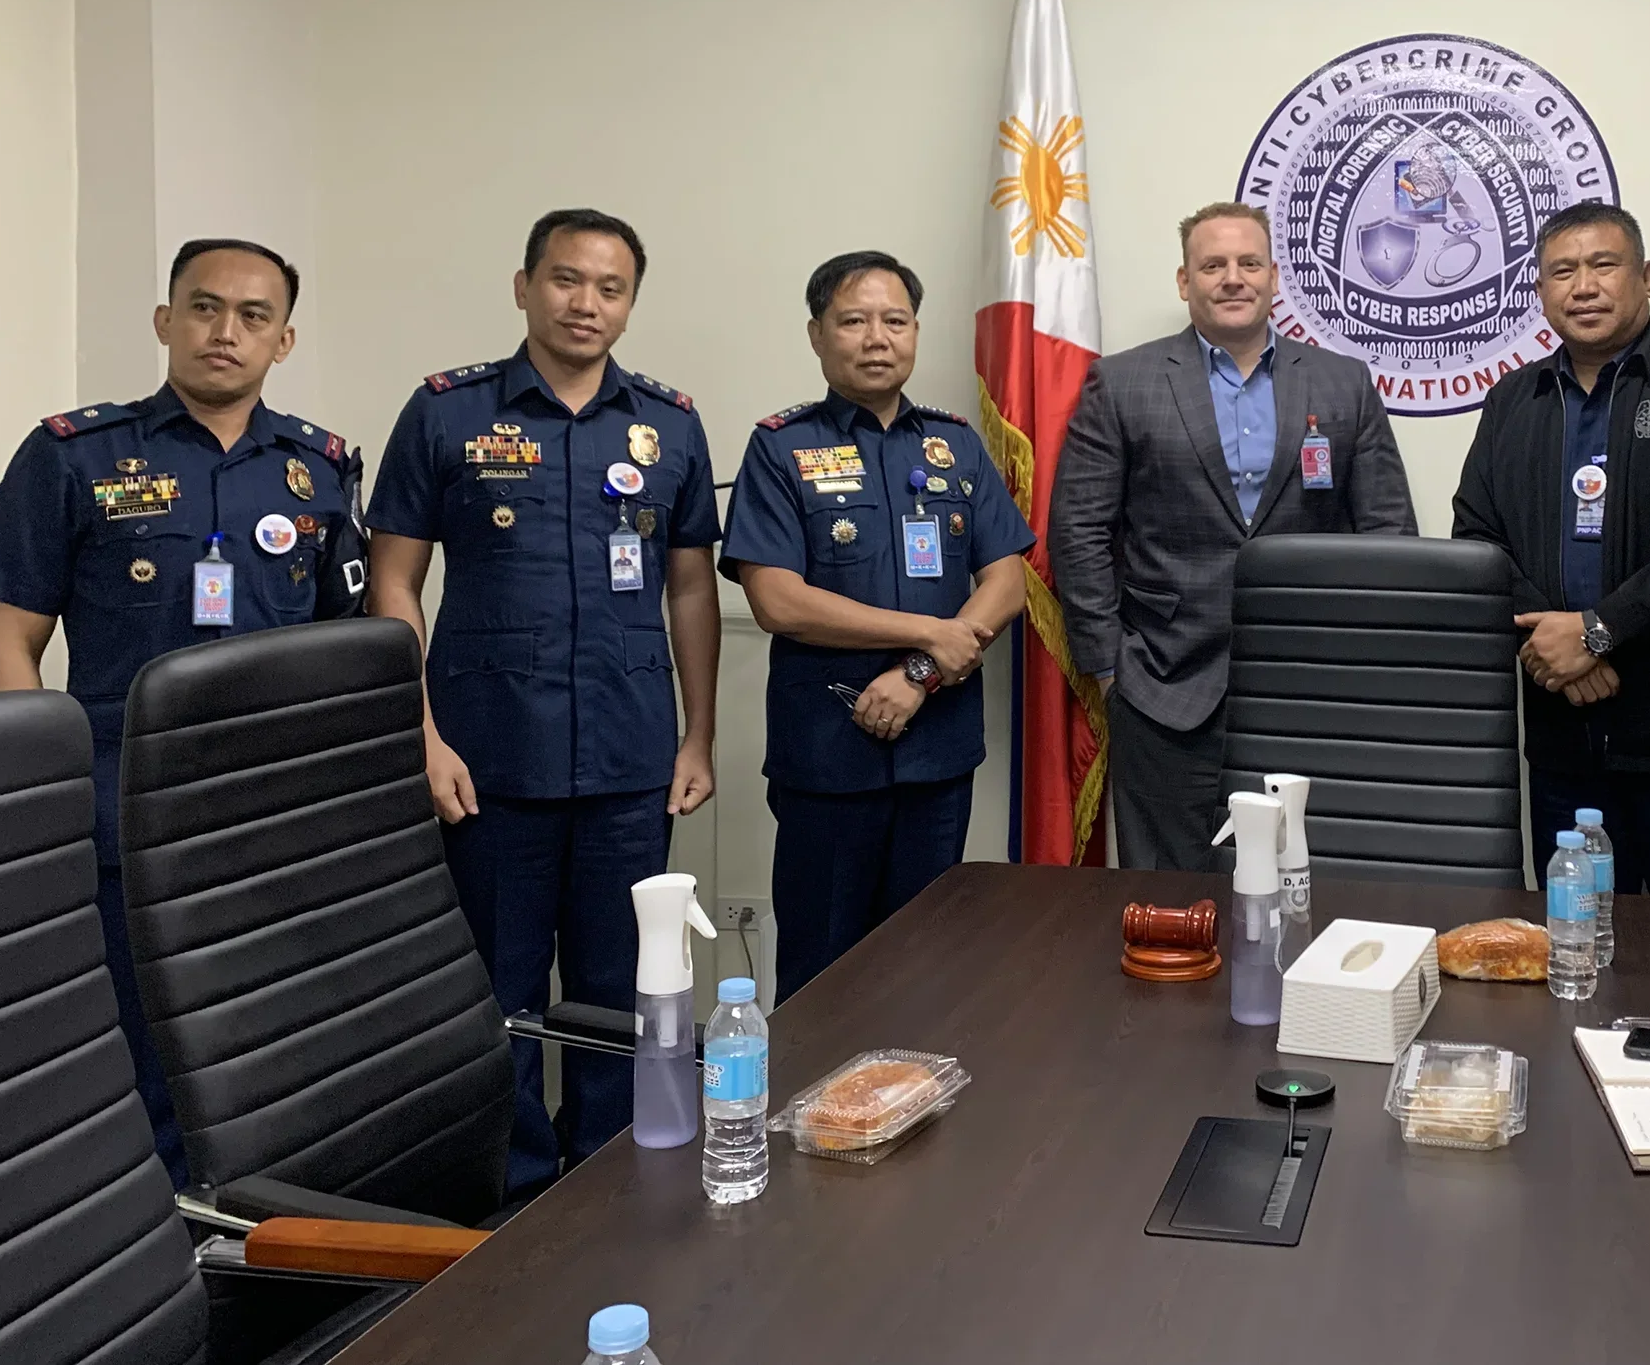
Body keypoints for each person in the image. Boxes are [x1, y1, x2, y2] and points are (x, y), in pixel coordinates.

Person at [0, 238, 367, 1186]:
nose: (226, 332)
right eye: (204, 307)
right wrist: (31, 806)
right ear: (164, 320)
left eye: (253, 316)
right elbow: (7, 642)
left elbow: (343, 649)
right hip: (119, 813)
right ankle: (148, 1246)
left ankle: (263, 1231)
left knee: (269, 1044)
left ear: (285, 340)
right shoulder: (74, 455)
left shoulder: (319, 469)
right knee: (136, 1057)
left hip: (274, 818)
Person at [367, 208, 721, 1196]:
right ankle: (513, 1186)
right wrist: (420, 734)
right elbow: (392, 581)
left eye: (610, 289)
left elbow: (690, 586)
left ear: (630, 303)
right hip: (486, 760)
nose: (587, 304)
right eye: (567, 280)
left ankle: (612, 1175)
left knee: (626, 983)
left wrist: (700, 735)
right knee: (497, 987)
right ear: (523, 286)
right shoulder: (447, 412)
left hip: (629, 756)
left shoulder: (670, 424)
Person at [1049, 201, 1416, 870]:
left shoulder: (1342, 383)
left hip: (1312, 683)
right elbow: (1078, 531)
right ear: (1184, 282)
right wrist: (1109, 666)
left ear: (1275, 276)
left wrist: (1369, 669)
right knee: (1167, 894)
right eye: (1211, 265)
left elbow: (1387, 534)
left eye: (1249, 262)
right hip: (1162, 683)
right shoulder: (1124, 382)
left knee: (1311, 876)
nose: (1232, 277)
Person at [721, 250, 1032, 1001]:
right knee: (821, 972)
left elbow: (1008, 582)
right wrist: (927, 633)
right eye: (853, 321)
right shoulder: (780, 446)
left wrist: (922, 672)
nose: (876, 337)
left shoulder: (955, 445)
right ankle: (815, 1119)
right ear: (817, 334)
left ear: (916, 333)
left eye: (895, 320)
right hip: (828, 757)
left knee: (929, 963)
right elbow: (778, 600)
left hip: (937, 755)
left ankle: (919, 1117)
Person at [1451, 200, 1650, 896]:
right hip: (1564, 742)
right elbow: (1478, 539)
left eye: (1604, 264)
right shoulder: (1513, 399)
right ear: (1541, 291)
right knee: (1581, 958)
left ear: (1646, 276)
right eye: (1562, 271)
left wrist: (1599, 632)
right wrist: (1556, 651)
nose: (1584, 285)